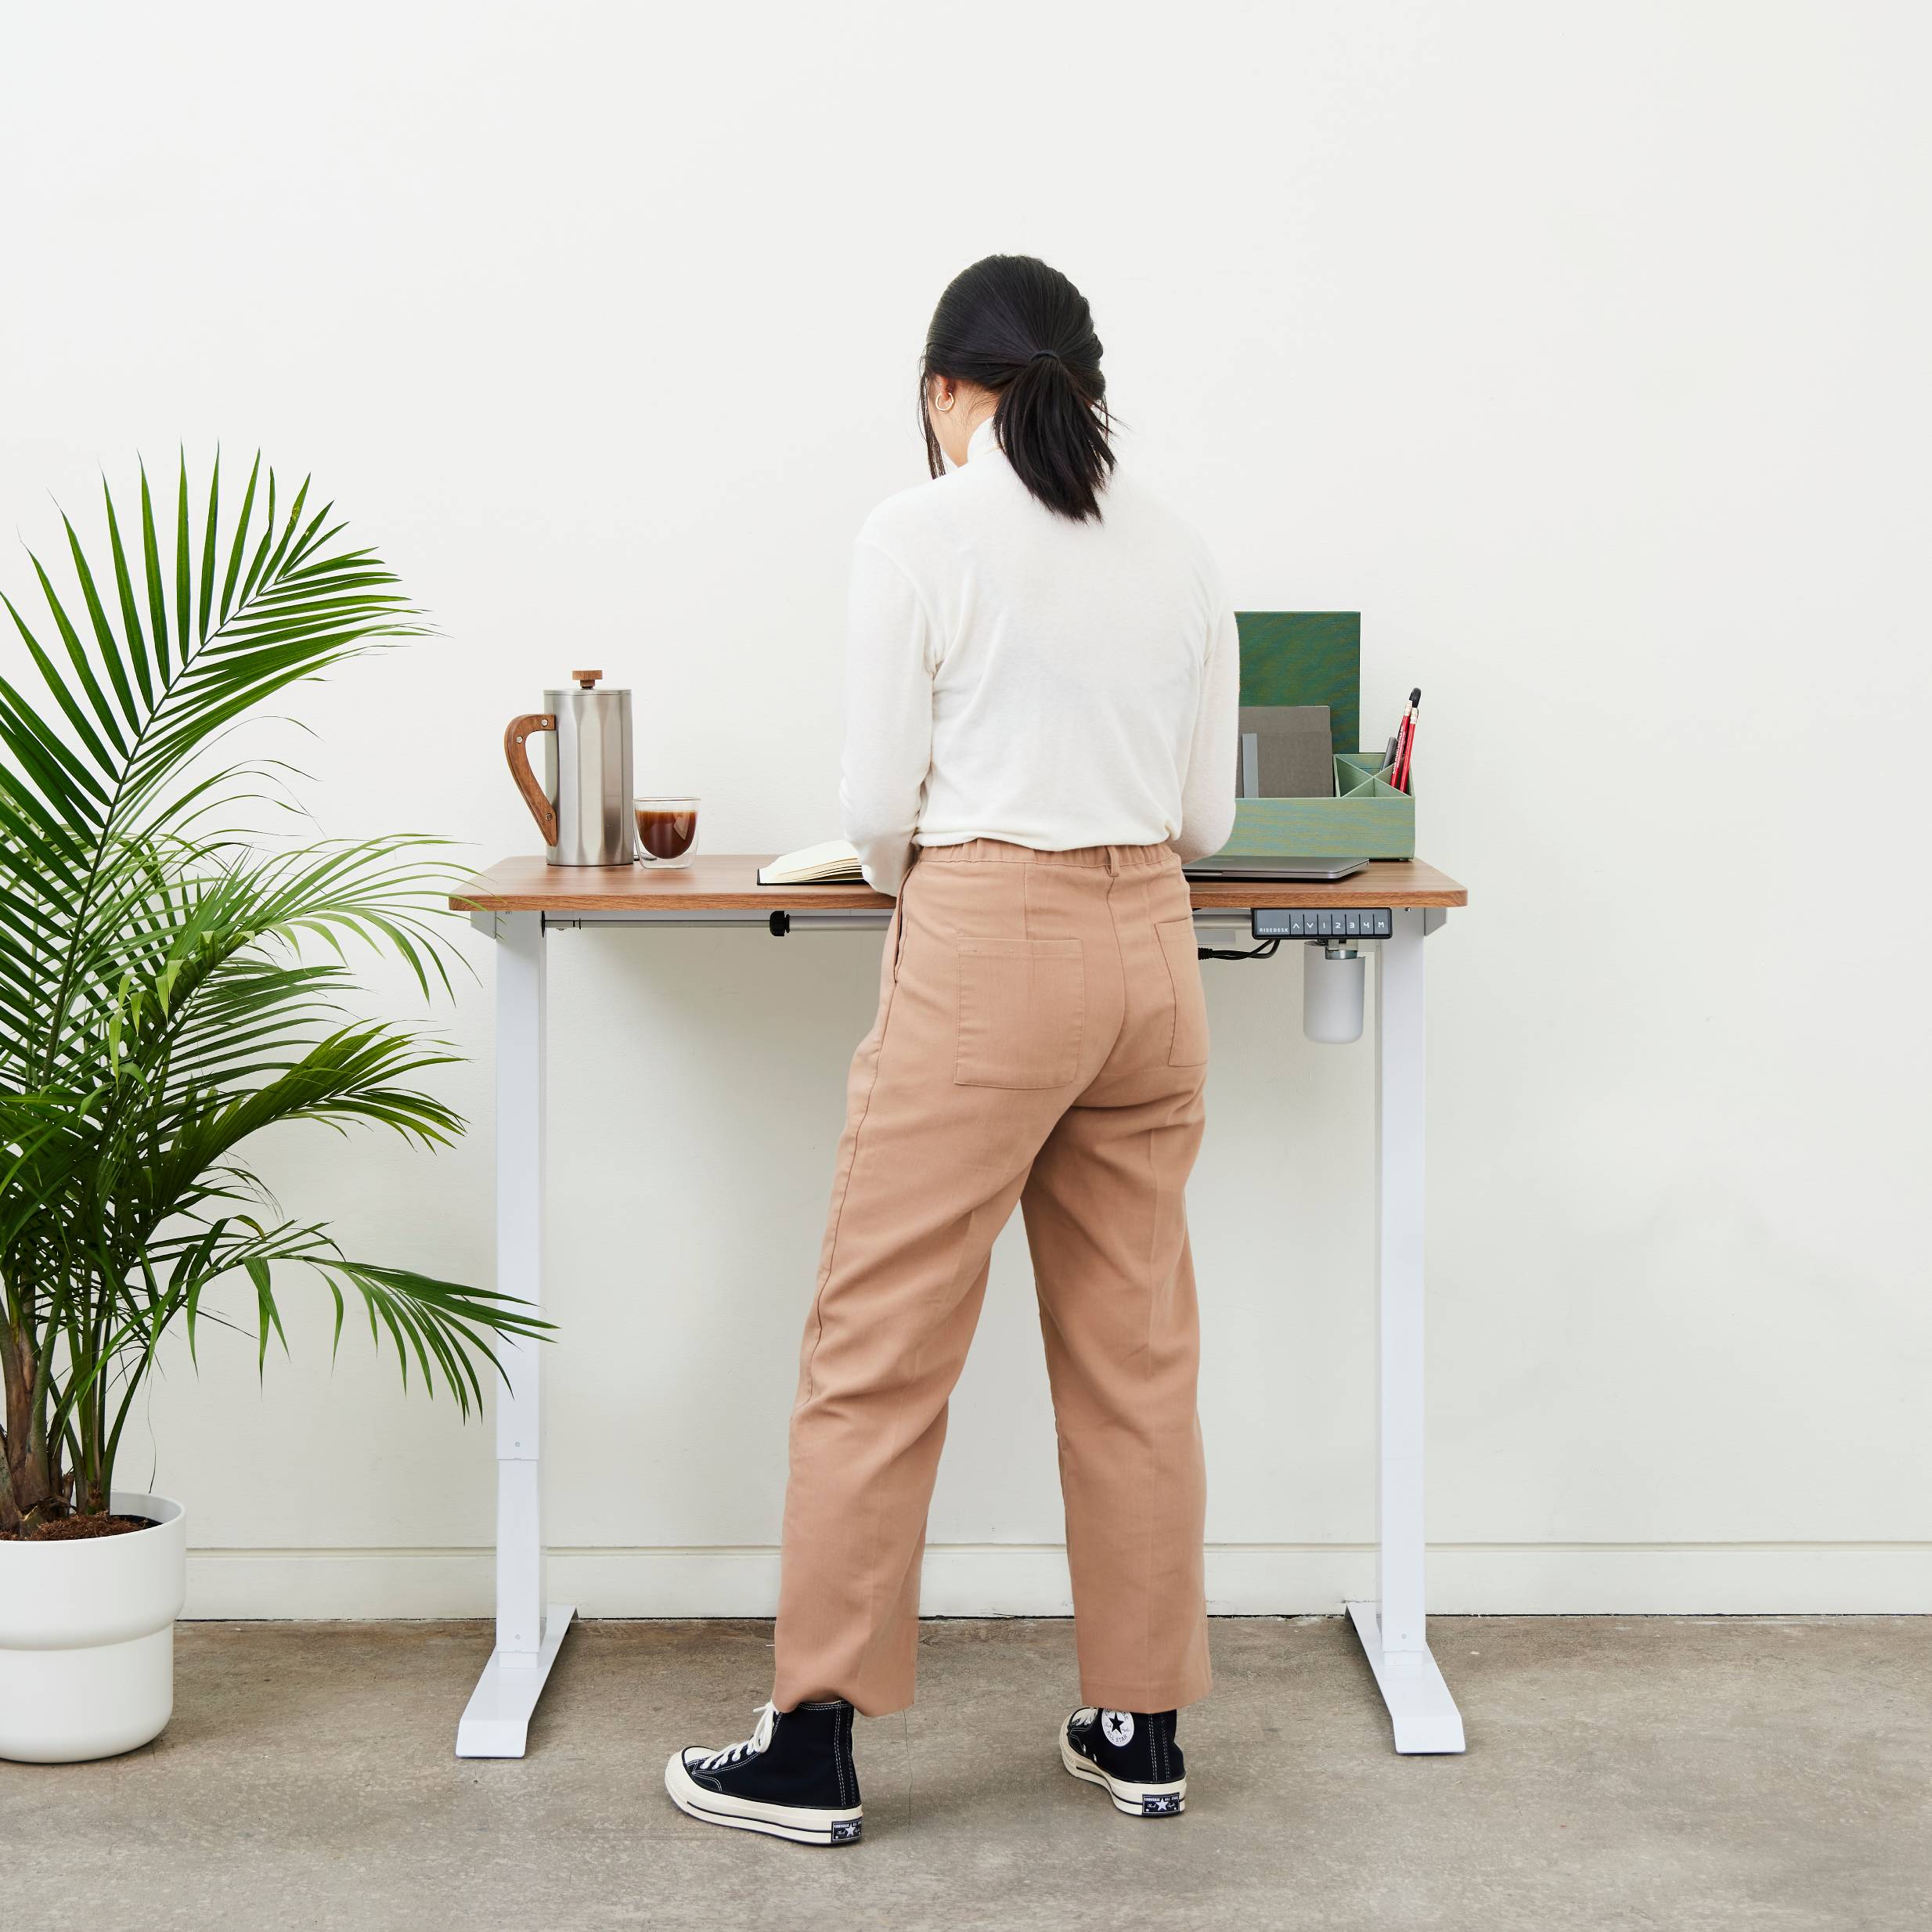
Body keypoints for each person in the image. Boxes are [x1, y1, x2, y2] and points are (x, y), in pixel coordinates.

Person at [664, 254, 1238, 1845]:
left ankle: (812, 1744)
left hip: (990, 940)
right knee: (1136, 1356)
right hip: (1149, 952)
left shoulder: (918, 532)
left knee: (878, 1346)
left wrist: (943, 880)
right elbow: (1205, 822)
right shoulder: (1179, 550)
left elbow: (869, 814)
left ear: (943, 390)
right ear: (1084, 382)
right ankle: (1139, 1724)